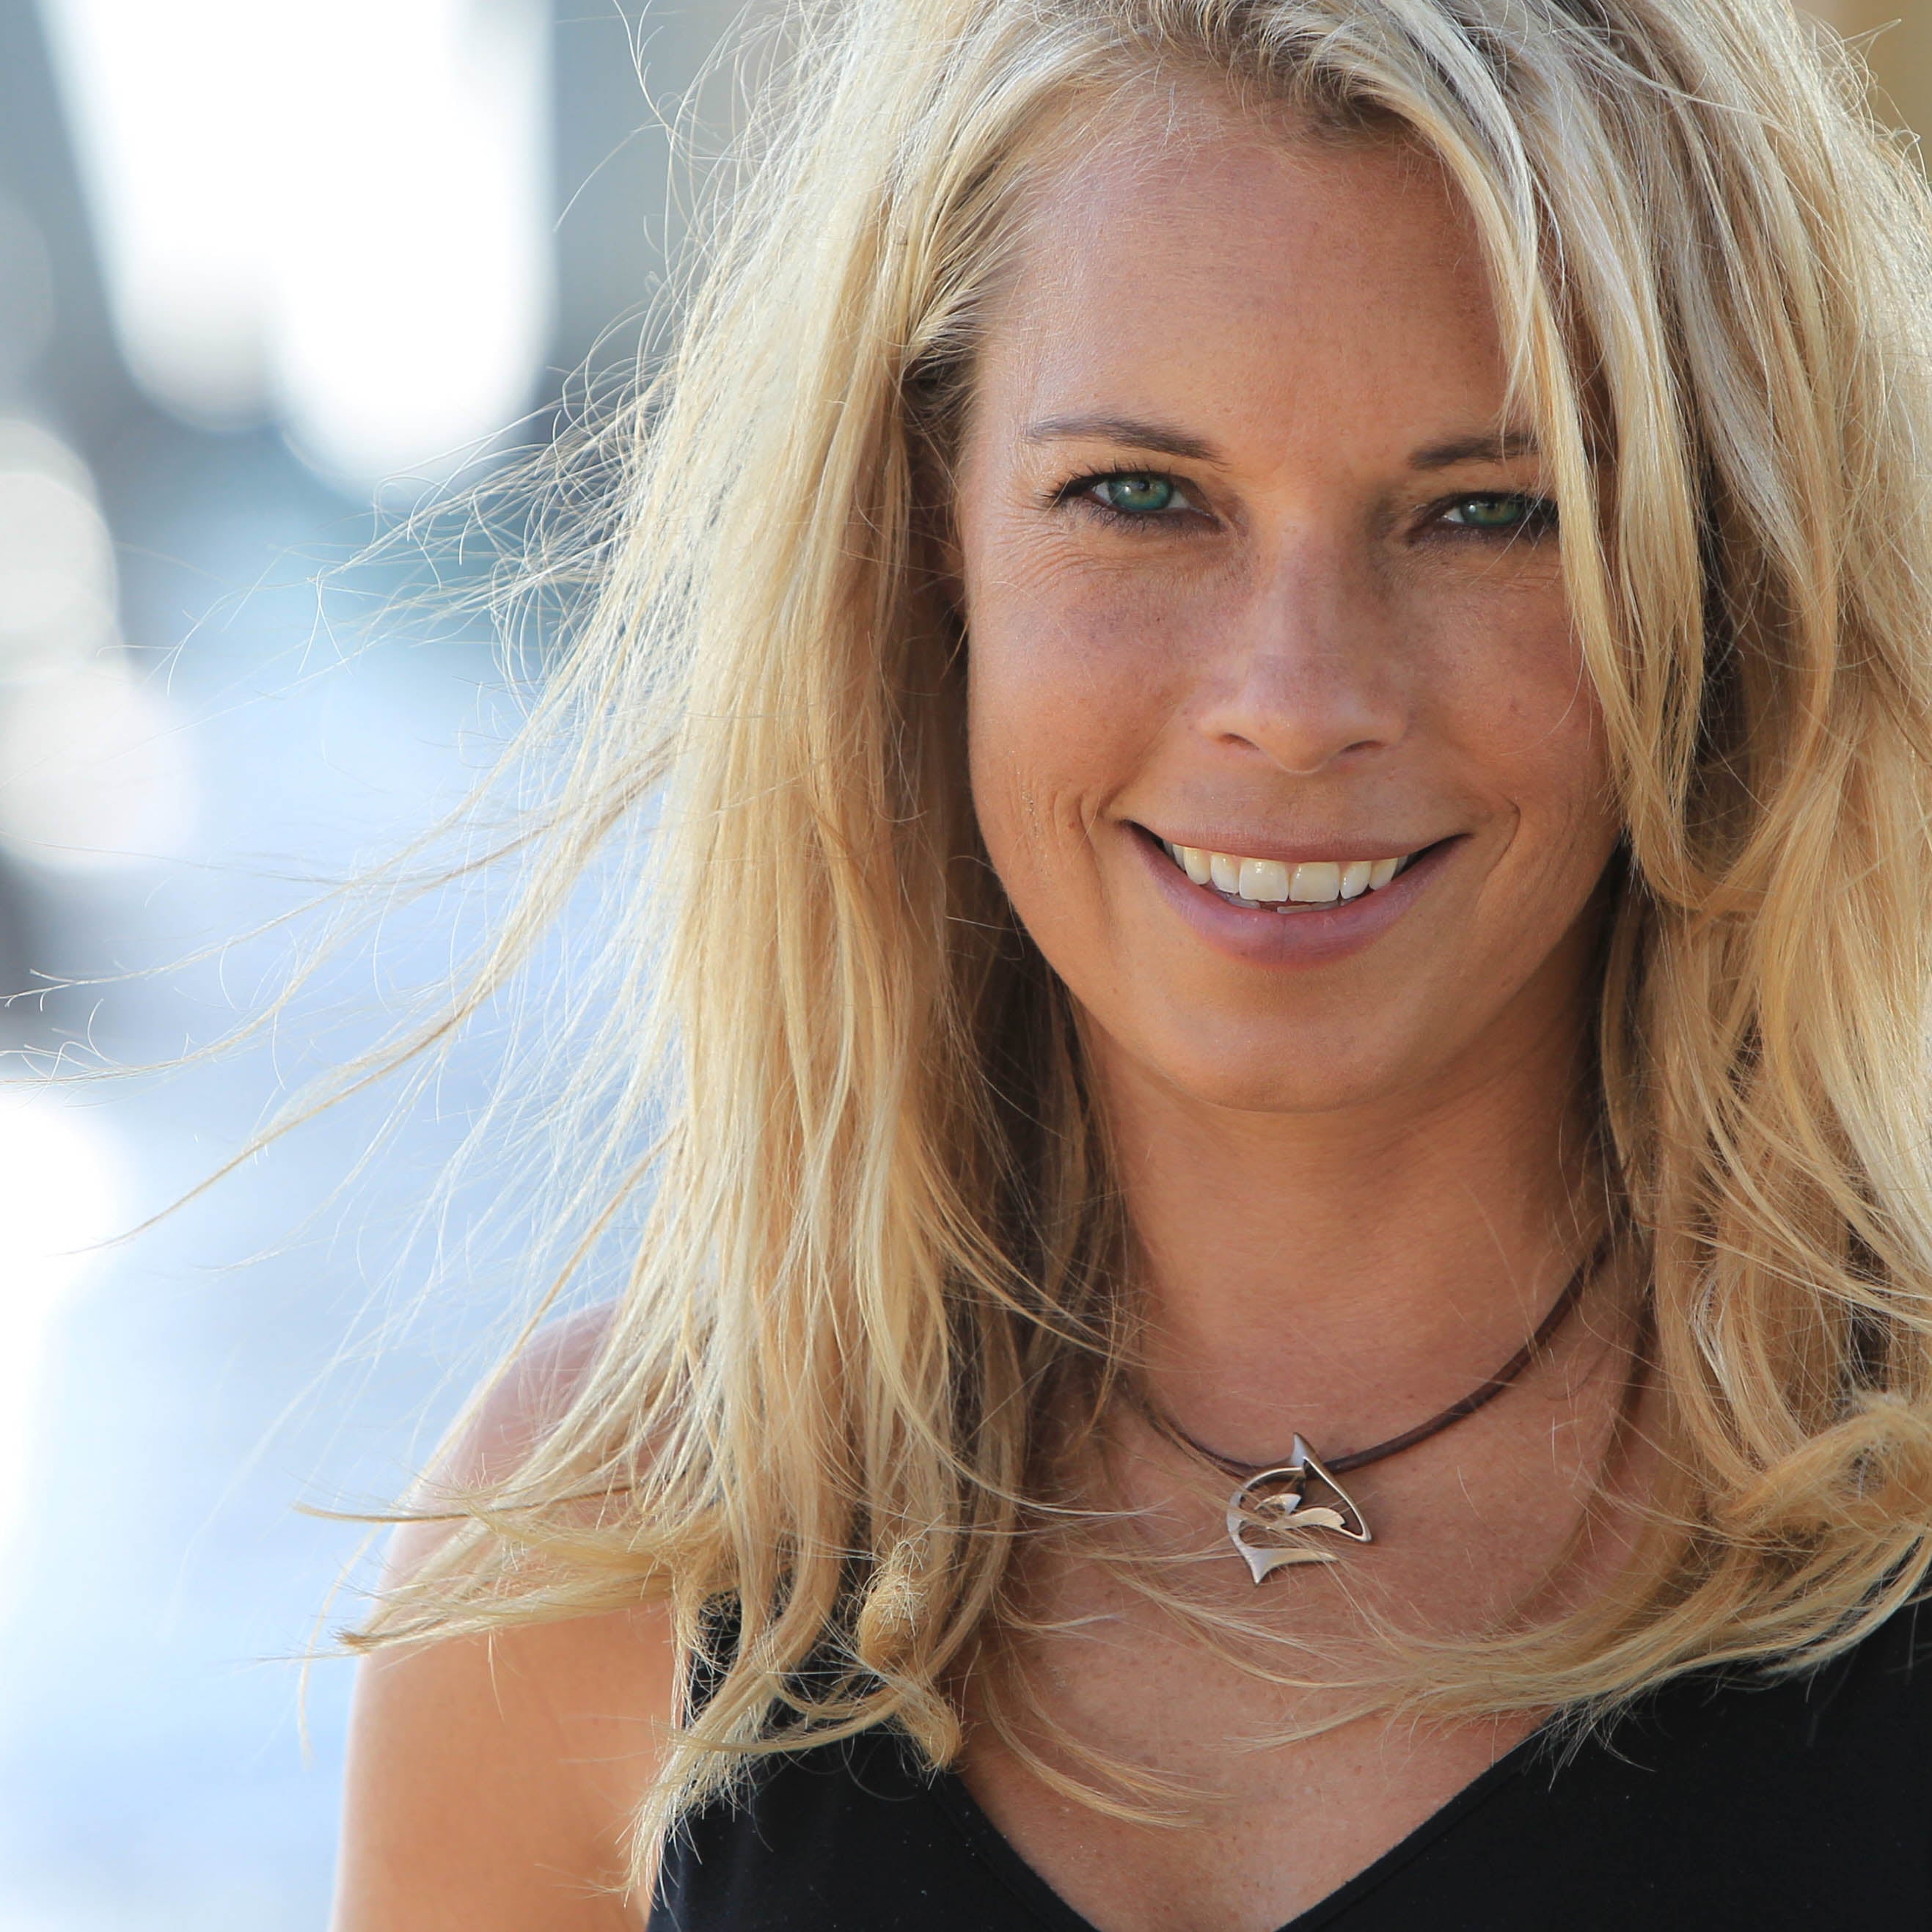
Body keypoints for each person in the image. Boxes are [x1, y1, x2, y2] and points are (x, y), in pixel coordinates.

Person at [328, 0, 1932, 1925]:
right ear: (928, 528)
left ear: (1713, 577)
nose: (1294, 698)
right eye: (1141, 497)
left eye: (1486, 511)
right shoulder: (598, 1562)